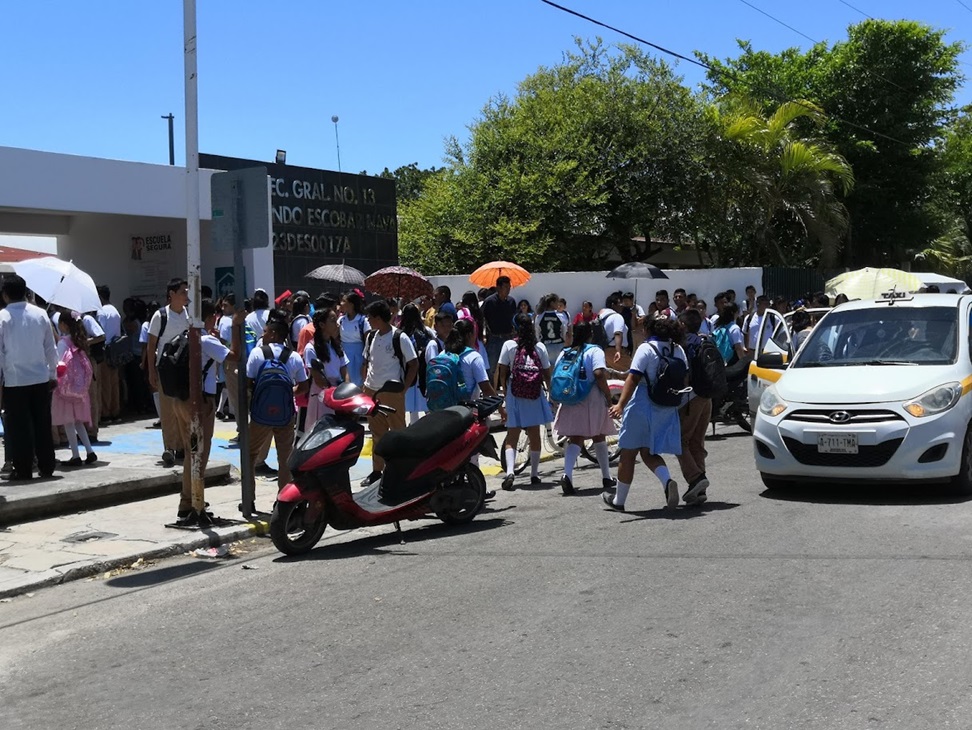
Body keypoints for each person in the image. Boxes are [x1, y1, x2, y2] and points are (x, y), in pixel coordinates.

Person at [602, 317, 687, 512]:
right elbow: (684, 378)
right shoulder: (678, 350)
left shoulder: (646, 348)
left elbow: (633, 377)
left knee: (628, 453)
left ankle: (619, 500)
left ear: (649, 329)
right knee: (649, 452)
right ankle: (667, 482)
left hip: (642, 404)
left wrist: (620, 405)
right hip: (666, 407)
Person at [172, 299, 243, 521]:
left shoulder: (187, 336)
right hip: (200, 403)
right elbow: (234, 356)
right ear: (211, 317)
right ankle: (195, 503)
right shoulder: (207, 340)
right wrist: (235, 329)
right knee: (200, 453)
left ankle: (188, 501)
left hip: (180, 400)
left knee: (190, 453)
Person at [0, 275, 59, 481]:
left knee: (19, 428)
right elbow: (50, 348)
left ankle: (23, 469)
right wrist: (52, 373)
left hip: (15, 380)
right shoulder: (41, 314)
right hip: (41, 378)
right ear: (26, 292)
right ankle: (47, 466)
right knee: (43, 423)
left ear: (5, 295)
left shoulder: (2, 317)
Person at [551, 321, 617, 495]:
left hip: (570, 398)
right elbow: (598, 374)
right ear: (590, 334)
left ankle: (567, 475)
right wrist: (609, 397)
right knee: (599, 434)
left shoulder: (565, 352)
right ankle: (606, 476)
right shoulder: (594, 350)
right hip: (592, 397)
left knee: (575, 438)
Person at [245, 316, 308, 492]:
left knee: (250, 454)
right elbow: (304, 386)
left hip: (261, 414)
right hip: (286, 414)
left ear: (273, 334)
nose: (263, 335)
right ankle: (283, 500)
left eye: (265, 332)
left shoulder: (257, 353)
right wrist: (288, 394)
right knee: (285, 458)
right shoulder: (294, 356)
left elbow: (248, 384)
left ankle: (249, 497)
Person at [360, 299, 419, 487]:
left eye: (370, 316)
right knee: (377, 433)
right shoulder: (370, 336)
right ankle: (377, 471)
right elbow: (366, 361)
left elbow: (413, 364)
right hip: (371, 391)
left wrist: (404, 388)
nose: (368, 319)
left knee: (398, 432)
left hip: (392, 392)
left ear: (379, 318)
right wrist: (365, 385)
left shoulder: (399, 337)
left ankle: (403, 471)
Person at [497, 313, 553, 491]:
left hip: (515, 393)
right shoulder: (539, 347)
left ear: (514, 327)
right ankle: (534, 474)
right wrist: (551, 394)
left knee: (512, 436)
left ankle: (510, 472)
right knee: (535, 434)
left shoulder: (509, 345)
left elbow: (502, 371)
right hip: (534, 395)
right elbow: (546, 373)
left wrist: (505, 394)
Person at [146, 278, 190, 466]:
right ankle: (170, 447)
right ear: (171, 294)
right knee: (168, 410)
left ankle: (182, 447)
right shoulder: (160, 316)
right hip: (166, 369)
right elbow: (151, 345)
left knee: (184, 408)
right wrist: (151, 371)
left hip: (185, 368)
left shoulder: (190, 315)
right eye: (183, 292)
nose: (186, 295)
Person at [674, 309, 712, 506]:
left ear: (683, 325)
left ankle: (696, 478)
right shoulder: (705, 340)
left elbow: (684, 372)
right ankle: (700, 490)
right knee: (697, 441)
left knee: (680, 441)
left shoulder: (685, 344)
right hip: (707, 397)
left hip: (691, 397)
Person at [52, 312, 97, 467]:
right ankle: (90, 451)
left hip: (65, 388)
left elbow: (60, 364)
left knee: (68, 422)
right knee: (78, 422)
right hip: (79, 388)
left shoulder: (63, 343)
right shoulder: (79, 341)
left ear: (64, 324)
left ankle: (75, 455)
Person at [302, 307, 349, 429]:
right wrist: (334, 393)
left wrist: (346, 390)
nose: (337, 324)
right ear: (322, 324)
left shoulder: (336, 346)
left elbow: (344, 370)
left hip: (339, 394)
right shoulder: (311, 348)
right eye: (333, 320)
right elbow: (318, 378)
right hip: (322, 396)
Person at [399, 303, 435, 423]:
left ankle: (414, 424)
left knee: (411, 403)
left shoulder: (401, 334)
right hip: (424, 370)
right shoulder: (428, 332)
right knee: (425, 399)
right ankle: (430, 423)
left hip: (409, 371)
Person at [481, 275, 518, 383]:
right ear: (498, 287)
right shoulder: (489, 302)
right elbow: (482, 319)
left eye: (509, 287)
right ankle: (492, 390)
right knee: (492, 366)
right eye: (506, 287)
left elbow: (514, 318)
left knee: (510, 365)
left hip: (508, 337)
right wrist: (483, 335)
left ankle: (507, 388)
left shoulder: (511, 302)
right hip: (493, 338)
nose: (508, 289)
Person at [96, 285, 123, 424]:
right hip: (116, 348)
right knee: (114, 382)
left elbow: (100, 333)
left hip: (106, 350)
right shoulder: (115, 310)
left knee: (105, 384)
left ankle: (106, 413)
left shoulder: (101, 312)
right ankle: (115, 411)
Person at [339, 291, 370, 387]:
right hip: (343, 357)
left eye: (344, 301)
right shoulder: (341, 320)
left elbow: (368, 343)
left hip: (358, 358)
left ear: (351, 304)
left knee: (358, 385)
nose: (341, 303)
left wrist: (365, 363)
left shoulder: (363, 321)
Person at [597, 294, 628, 368]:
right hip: (615, 352)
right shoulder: (617, 317)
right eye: (620, 303)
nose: (622, 305)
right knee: (626, 375)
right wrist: (618, 351)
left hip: (604, 351)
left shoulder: (601, 317)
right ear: (613, 305)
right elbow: (618, 333)